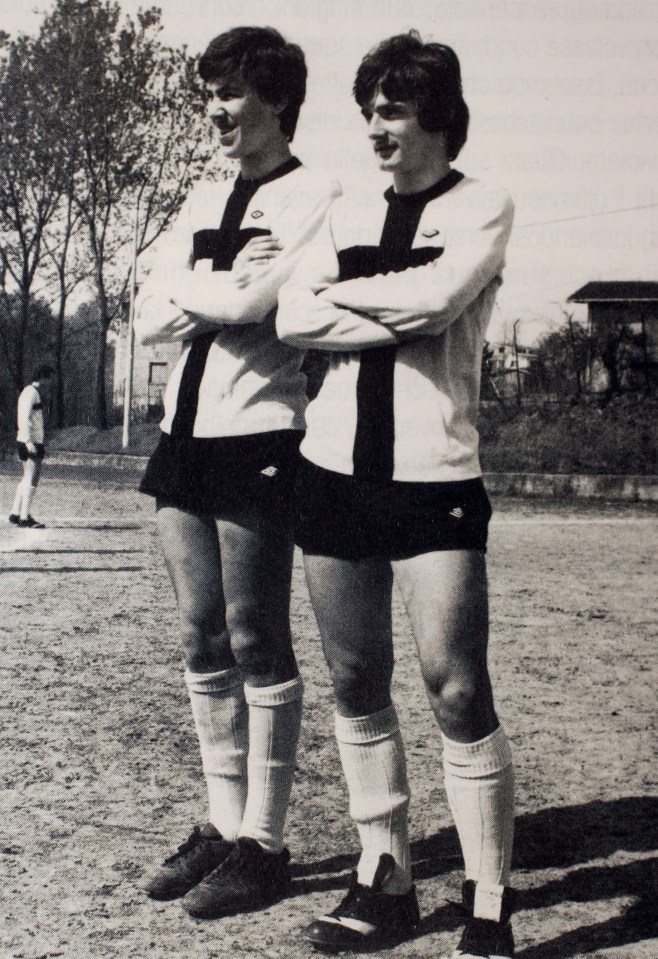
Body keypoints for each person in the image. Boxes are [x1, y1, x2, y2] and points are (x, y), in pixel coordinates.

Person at [277, 32, 516, 959]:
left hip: (433, 481)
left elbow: (439, 303)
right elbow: (292, 313)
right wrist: (380, 298)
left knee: (455, 685)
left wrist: (352, 301)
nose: (377, 129)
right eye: (368, 111)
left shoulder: (482, 204)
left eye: (395, 111)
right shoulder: (341, 215)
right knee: (353, 679)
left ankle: (488, 899)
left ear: (439, 118)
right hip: (332, 470)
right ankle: (386, 876)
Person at [134, 26, 340, 921]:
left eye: (230, 94)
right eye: (210, 94)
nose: (216, 112)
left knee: (257, 634)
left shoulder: (315, 193)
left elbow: (262, 306)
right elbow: (145, 312)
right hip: (183, 432)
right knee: (199, 634)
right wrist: (206, 285)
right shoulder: (201, 193)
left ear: (277, 99)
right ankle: (222, 823)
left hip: (259, 430)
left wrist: (199, 286)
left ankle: (265, 840)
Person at [9, 364, 54, 529]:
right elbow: (24, 418)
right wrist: (29, 442)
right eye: (49, 377)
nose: (51, 382)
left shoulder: (31, 392)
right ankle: (25, 516)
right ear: (43, 376)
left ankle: (15, 512)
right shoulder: (31, 393)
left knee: (27, 476)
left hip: (30, 440)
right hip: (30, 441)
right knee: (32, 478)